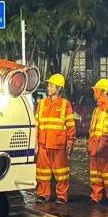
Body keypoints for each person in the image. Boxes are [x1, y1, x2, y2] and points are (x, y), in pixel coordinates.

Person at [35, 73, 76, 205]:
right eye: (48, 85)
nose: (48, 87)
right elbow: (36, 124)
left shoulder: (65, 104)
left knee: (61, 173)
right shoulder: (41, 103)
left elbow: (70, 125)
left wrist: (70, 142)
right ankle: (43, 194)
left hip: (59, 145)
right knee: (42, 172)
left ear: (58, 88)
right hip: (43, 144)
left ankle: (62, 196)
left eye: (51, 85)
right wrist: (34, 143)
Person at [87, 78, 108, 206]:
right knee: (95, 174)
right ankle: (96, 196)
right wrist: (90, 145)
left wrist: (102, 146)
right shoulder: (97, 109)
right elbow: (92, 129)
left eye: (96, 91)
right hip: (96, 147)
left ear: (103, 92)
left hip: (106, 149)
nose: (94, 94)